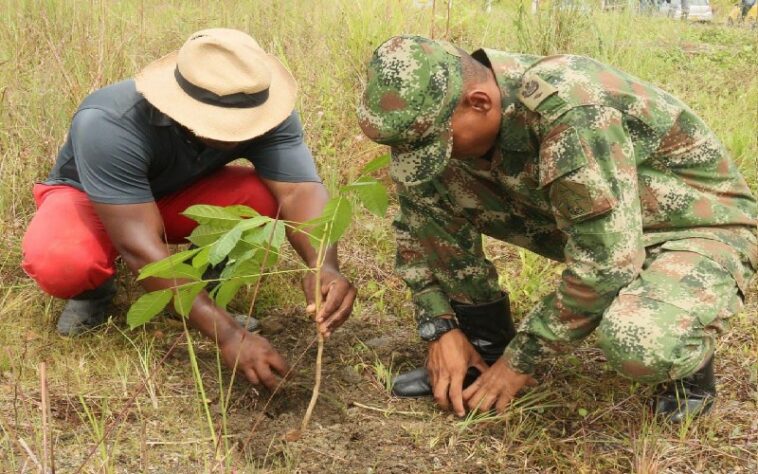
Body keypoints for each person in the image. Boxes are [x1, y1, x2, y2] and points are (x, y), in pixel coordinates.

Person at [357, 35, 757, 422]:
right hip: (605, 228)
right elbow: (416, 225)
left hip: (693, 229)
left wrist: (523, 359)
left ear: (479, 102)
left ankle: (688, 359)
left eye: (436, 142)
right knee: (433, 182)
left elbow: (605, 264)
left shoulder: (571, 108)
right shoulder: (454, 117)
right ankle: (484, 347)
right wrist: (440, 327)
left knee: (640, 343)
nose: (425, 156)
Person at [22, 28, 357, 390]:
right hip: (90, 200)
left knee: (261, 201)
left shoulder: (263, 108)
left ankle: (207, 290)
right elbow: (138, 245)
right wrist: (228, 335)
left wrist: (323, 263)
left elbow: (299, 190)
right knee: (62, 261)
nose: (239, 132)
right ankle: (95, 291)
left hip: (175, 195)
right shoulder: (109, 121)